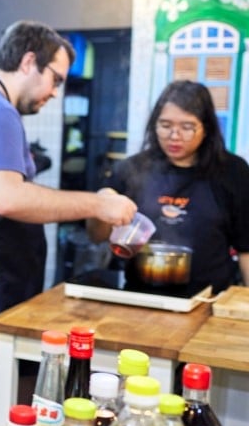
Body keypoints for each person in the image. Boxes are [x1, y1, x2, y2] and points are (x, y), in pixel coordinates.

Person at [0, 20, 137, 426]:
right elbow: (8, 198)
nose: (55, 93)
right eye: (55, 79)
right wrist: (96, 205)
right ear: (28, 62)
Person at [87, 79, 249, 293]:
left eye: (187, 127)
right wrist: (100, 204)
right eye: (165, 126)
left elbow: (247, 248)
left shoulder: (232, 171)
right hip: (141, 298)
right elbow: (96, 236)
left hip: (208, 302)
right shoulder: (132, 169)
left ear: (206, 128)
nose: (174, 136)